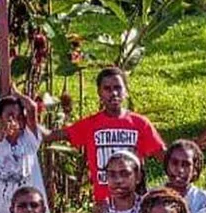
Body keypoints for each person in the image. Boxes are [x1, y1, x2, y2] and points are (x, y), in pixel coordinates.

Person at [44, 66, 165, 202]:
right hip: (104, 204)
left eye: (118, 88)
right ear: (99, 93)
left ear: (125, 91)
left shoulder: (140, 123)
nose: (113, 93)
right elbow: (51, 135)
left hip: (135, 203)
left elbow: (165, 157)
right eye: (107, 89)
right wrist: (27, 118)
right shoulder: (90, 125)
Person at [0, 93, 47, 213]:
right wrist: (1, 134)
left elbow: (32, 107)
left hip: (29, 212)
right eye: (10, 115)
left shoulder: (30, 139)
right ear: (0, 119)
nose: (16, 120)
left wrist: (15, 92)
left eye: (19, 116)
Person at [163, 140, 206, 213]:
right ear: (167, 165)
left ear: (195, 169)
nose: (180, 170)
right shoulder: (152, 197)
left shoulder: (202, 200)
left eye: (186, 164)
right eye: (174, 163)